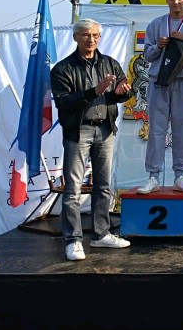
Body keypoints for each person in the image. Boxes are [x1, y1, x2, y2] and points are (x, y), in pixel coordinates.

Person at [51, 18, 132, 261]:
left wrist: (122, 93)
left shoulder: (110, 63)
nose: (91, 39)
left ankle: (101, 234)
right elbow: (64, 102)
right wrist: (94, 91)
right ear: (75, 37)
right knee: (73, 189)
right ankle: (73, 240)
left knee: (103, 186)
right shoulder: (63, 68)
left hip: (105, 129)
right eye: (86, 35)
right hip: (79, 132)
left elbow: (120, 93)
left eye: (95, 35)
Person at [137, 0, 183, 194]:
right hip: (159, 82)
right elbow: (147, 56)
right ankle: (153, 177)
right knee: (156, 130)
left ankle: (180, 175)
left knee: (182, 131)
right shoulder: (156, 24)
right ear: (166, 0)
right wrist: (158, 46)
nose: (175, 2)